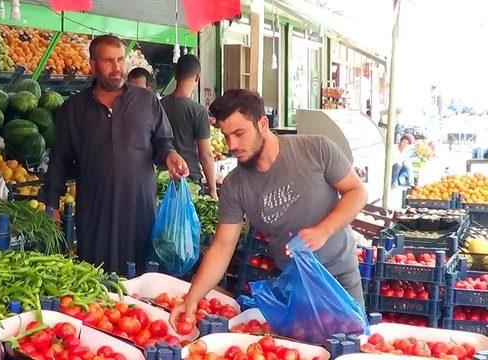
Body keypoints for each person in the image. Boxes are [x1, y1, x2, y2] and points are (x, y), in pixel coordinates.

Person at [169, 89, 368, 328]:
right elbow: (222, 246)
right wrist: (191, 299)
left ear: (262, 124)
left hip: (340, 278)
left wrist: (323, 231)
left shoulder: (316, 149)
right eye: (226, 135)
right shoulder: (234, 185)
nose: (232, 144)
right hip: (295, 287)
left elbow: (357, 192)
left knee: (350, 347)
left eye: (239, 133)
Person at [46, 35, 190, 274]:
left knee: (139, 282)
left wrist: (170, 156)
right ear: (92, 66)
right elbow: (59, 160)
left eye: (120, 60)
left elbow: (163, 141)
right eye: (108, 61)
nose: (117, 68)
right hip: (95, 214)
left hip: (139, 211)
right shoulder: (73, 110)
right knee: (95, 279)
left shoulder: (147, 102)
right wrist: (51, 203)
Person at [160, 54, 218, 200]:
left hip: (162, 177)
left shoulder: (159, 105)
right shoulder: (198, 111)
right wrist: (212, 190)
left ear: (175, 75)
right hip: (189, 178)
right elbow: (205, 154)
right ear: (197, 78)